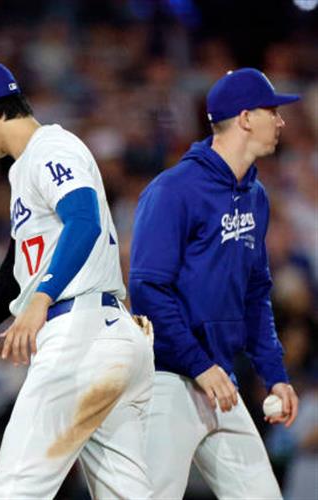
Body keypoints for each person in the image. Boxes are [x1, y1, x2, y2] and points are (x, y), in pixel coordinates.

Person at [0, 61, 155, 499]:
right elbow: (17, 266)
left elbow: (84, 220)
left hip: (80, 335)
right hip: (109, 338)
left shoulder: (51, 147)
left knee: (12, 490)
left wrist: (43, 297)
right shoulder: (25, 166)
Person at [129, 68, 301, 498]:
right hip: (167, 379)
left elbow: (256, 294)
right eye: (271, 111)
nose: (280, 121)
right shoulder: (173, 190)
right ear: (245, 118)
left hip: (219, 381)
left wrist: (274, 373)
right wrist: (199, 364)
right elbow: (148, 289)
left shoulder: (255, 196)